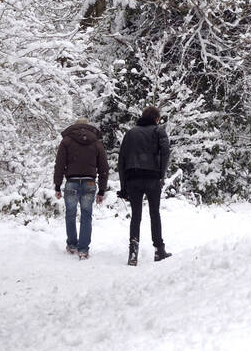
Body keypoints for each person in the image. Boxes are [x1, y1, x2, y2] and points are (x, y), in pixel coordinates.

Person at [118, 105, 172, 265]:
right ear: (156, 119)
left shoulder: (130, 133)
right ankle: (159, 250)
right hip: (152, 178)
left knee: (136, 216)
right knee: (154, 214)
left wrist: (123, 187)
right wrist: (161, 175)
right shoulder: (158, 131)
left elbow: (121, 160)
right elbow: (166, 152)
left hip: (133, 178)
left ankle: (133, 254)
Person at [53, 118, 109, 259]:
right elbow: (103, 168)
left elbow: (59, 165)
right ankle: (83, 249)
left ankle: (72, 245)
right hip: (89, 183)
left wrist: (58, 185)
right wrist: (101, 189)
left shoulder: (66, 142)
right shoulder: (96, 143)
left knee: (70, 214)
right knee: (86, 215)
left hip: (71, 182)